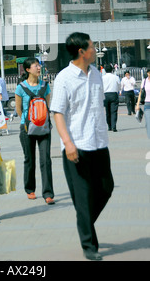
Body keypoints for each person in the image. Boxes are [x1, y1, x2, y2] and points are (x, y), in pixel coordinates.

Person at [51, 32, 114, 261]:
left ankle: (84, 221)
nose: (95, 50)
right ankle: (89, 245)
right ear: (81, 52)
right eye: (92, 46)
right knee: (83, 196)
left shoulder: (97, 74)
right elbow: (58, 113)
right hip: (76, 146)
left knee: (106, 188)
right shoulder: (64, 78)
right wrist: (68, 143)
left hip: (99, 143)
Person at [15, 58, 55, 205]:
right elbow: (18, 108)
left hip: (44, 127)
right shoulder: (20, 88)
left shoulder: (45, 86)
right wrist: (27, 121)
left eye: (39, 65)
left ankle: (48, 193)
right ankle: (30, 189)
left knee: (46, 160)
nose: (39, 68)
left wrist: (39, 119)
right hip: (27, 128)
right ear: (27, 70)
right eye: (35, 66)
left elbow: (47, 104)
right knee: (29, 160)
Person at [102, 64, 120, 132]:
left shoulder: (103, 77)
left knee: (107, 111)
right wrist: (117, 91)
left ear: (105, 70)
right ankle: (114, 126)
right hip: (113, 94)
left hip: (105, 95)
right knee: (114, 111)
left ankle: (109, 126)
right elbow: (119, 86)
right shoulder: (116, 77)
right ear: (112, 70)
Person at [136, 68, 150, 139]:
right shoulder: (144, 81)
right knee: (148, 124)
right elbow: (140, 93)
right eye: (149, 73)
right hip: (147, 104)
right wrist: (137, 104)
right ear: (147, 73)